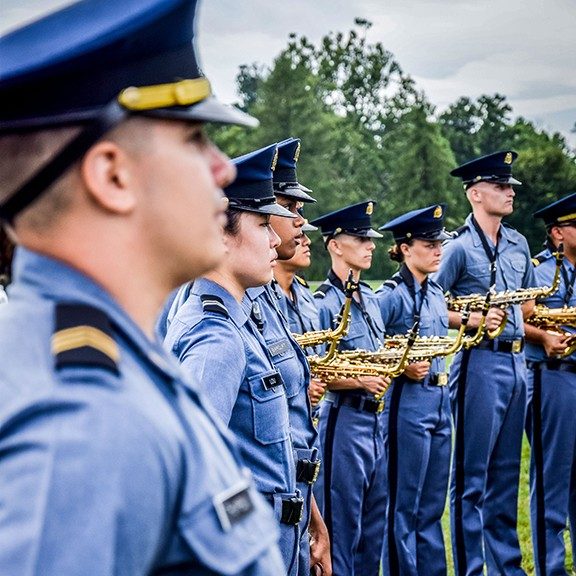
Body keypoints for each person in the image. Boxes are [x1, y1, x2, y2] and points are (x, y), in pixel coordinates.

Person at [0, 1, 286, 574]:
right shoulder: (83, 427)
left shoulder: (114, 360)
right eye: (195, 139)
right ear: (112, 176)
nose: (224, 170)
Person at [163, 144, 305, 575]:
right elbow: (196, 475)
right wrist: (249, 535)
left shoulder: (237, 321)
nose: (276, 239)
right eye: (263, 224)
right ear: (221, 235)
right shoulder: (216, 337)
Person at [432, 151, 536, 576]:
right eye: (501, 186)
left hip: (517, 364)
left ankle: (506, 567)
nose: (510, 192)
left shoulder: (518, 243)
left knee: (506, 478)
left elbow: (528, 304)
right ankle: (472, 569)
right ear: (476, 193)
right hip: (478, 363)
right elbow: (430, 302)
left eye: (510, 186)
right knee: (472, 479)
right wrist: (471, 318)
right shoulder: (457, 248)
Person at [243, 137, 331, 576]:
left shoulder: (272, 300)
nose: (300, 222)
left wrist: (311, 514)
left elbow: (287, 427)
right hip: (260, 519)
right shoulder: (225, 320)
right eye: (287, 209)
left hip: (292, 502)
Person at [310, 200, 388, 576]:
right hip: (345, 421)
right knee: (341, 531)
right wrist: (360, 380)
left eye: (370, 238)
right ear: (335, 245)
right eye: (360, 238)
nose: (370, 245)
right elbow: (315, 369)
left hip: (377, 424)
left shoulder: (370, 299)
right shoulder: (323, 304)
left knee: (374, 530)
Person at [376, 204, 452, 576]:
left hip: (440, 399)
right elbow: (370, 346)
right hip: (407, 403)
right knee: (403, 503)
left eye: (440, 242)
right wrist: (400, 365)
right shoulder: (390, 295)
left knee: (432, 504)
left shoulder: (437, 292)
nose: (438, 249)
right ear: (405, 248)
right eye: (429, 242)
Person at [524, 192, 576, 576]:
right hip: (551, 378)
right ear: (558, 233)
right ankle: (551, 569)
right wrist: (541, 337)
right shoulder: (540, 271)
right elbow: (517, 318)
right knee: (551, 482)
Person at [274, 221, 327, 408]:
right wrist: (301, 384)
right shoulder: (260, 296)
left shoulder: (306, 295)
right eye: (299, 236)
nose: (307, 242)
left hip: (312, 414)